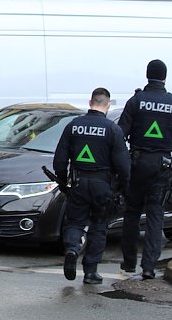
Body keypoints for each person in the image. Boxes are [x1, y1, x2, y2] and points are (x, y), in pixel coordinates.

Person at [118, 59, 172, 280]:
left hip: (137, 164)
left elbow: (121, 134)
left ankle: (129, 262)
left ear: (147, 75)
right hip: (161, 166)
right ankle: (148, 267)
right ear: (165, 77)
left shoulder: (136, 101)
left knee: (131, 213)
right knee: (154, 216)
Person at [53, 87, 130, 284]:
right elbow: (123, 165)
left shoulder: (74, 125)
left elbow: (60, 160)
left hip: (78, 183)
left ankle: (72, 249)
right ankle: (90, 272)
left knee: (75, 222)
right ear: (108, 105)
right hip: (102, 185)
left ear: (90, 102)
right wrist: (121, 188)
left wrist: (63, 183)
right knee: (98, 226)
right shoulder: (113, 129)